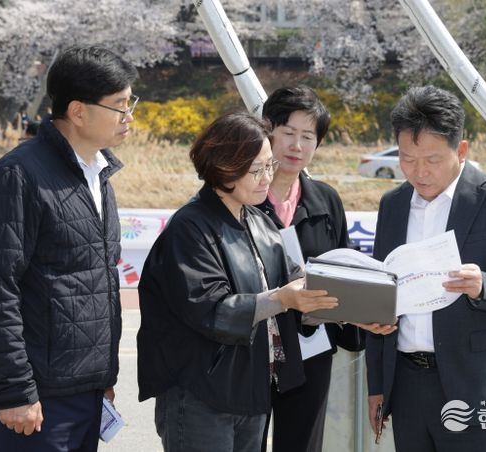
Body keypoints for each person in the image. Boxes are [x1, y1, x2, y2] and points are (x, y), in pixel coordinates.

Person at [136, 111, 339, 452]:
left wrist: (356, 305)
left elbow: (298, 282)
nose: (266, 178)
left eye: (269, 166)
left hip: (252, 390)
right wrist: (282, 299)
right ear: (223, 166)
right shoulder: (190, 229)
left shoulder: (260, 222)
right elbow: (212, 309)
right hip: (200, 394)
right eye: (256, 169)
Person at [0, 45, 138, 451]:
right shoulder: (19, 175)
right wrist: (14, 390)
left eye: (130, 103)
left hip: (87, 388)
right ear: (78, 111)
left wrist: (104, 378)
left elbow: (95, 282)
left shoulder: (99, 174)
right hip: (38, 397)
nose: (129, 116)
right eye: (119, 105)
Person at [365, 85, 486, 452]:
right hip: (407, 384)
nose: (419, 172)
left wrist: (483, 286)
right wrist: (377, 386)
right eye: (407, 159)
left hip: (474, 384)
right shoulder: (393, 205)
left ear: (461, 151)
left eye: (432, 159)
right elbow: (382, 290)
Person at [256, 85, 365, 452]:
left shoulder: (326, 200)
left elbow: (344, 265)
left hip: (311, 347)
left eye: (307, 136)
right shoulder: (242, 193)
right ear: (267, 130)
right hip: (252, 349)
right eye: (288, 133)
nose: (296, 146)